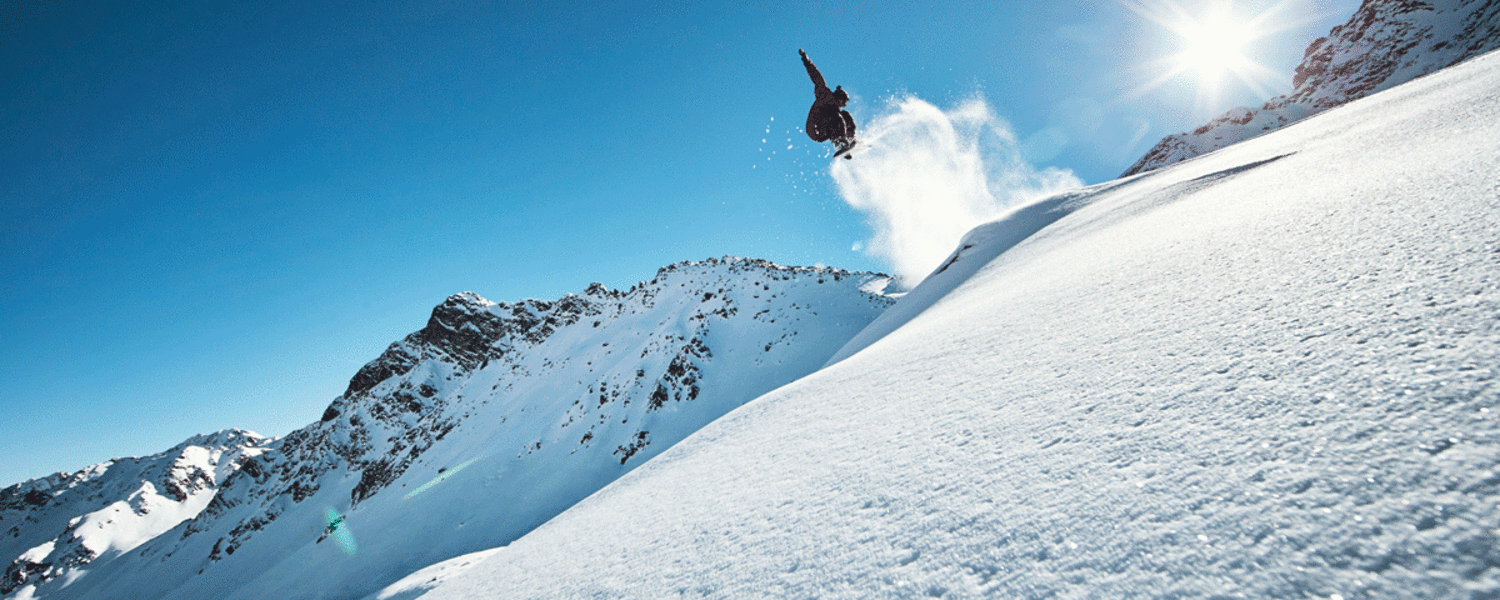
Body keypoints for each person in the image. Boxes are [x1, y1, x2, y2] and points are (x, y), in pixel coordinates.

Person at [799, 49, 857, 158]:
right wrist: (806, 60)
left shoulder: (837, 110)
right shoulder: (825, 95)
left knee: (846, 116)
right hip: (815, 128)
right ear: (838, 97)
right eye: (842, 102)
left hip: (826, 127)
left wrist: (851, 141)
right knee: (838, 117)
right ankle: (840, 143)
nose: (842, 105)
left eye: (844, 104)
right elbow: (816, 77)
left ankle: (848, 140)